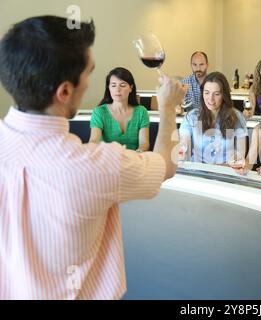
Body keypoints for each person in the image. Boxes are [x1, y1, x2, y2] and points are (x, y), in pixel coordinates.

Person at [0, 16, 186, 299]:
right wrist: (169, 108)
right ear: (64, 91)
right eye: (89, 72)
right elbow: (166, 165)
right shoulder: (95, 166)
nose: (94, 84)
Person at [179, 72, 248, 164]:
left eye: (216, 94)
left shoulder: (236, 116)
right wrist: (182, 154)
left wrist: (227, 166)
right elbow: (184, 146)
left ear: (224, 95)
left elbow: (240, 155)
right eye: (207, 93)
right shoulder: (192, 117)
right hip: (198, 172)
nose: (210, 99)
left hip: (225, 172)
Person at [89, 67, 150, 152]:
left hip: (134, 159)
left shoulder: (141, 112)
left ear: (131, 88)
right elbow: (94, 141)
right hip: (108, 160)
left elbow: (144, 143)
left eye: (122, 85)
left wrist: (137, 155)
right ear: (109, 88)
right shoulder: (99, 112)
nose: (117, 89)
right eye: (113, 85)